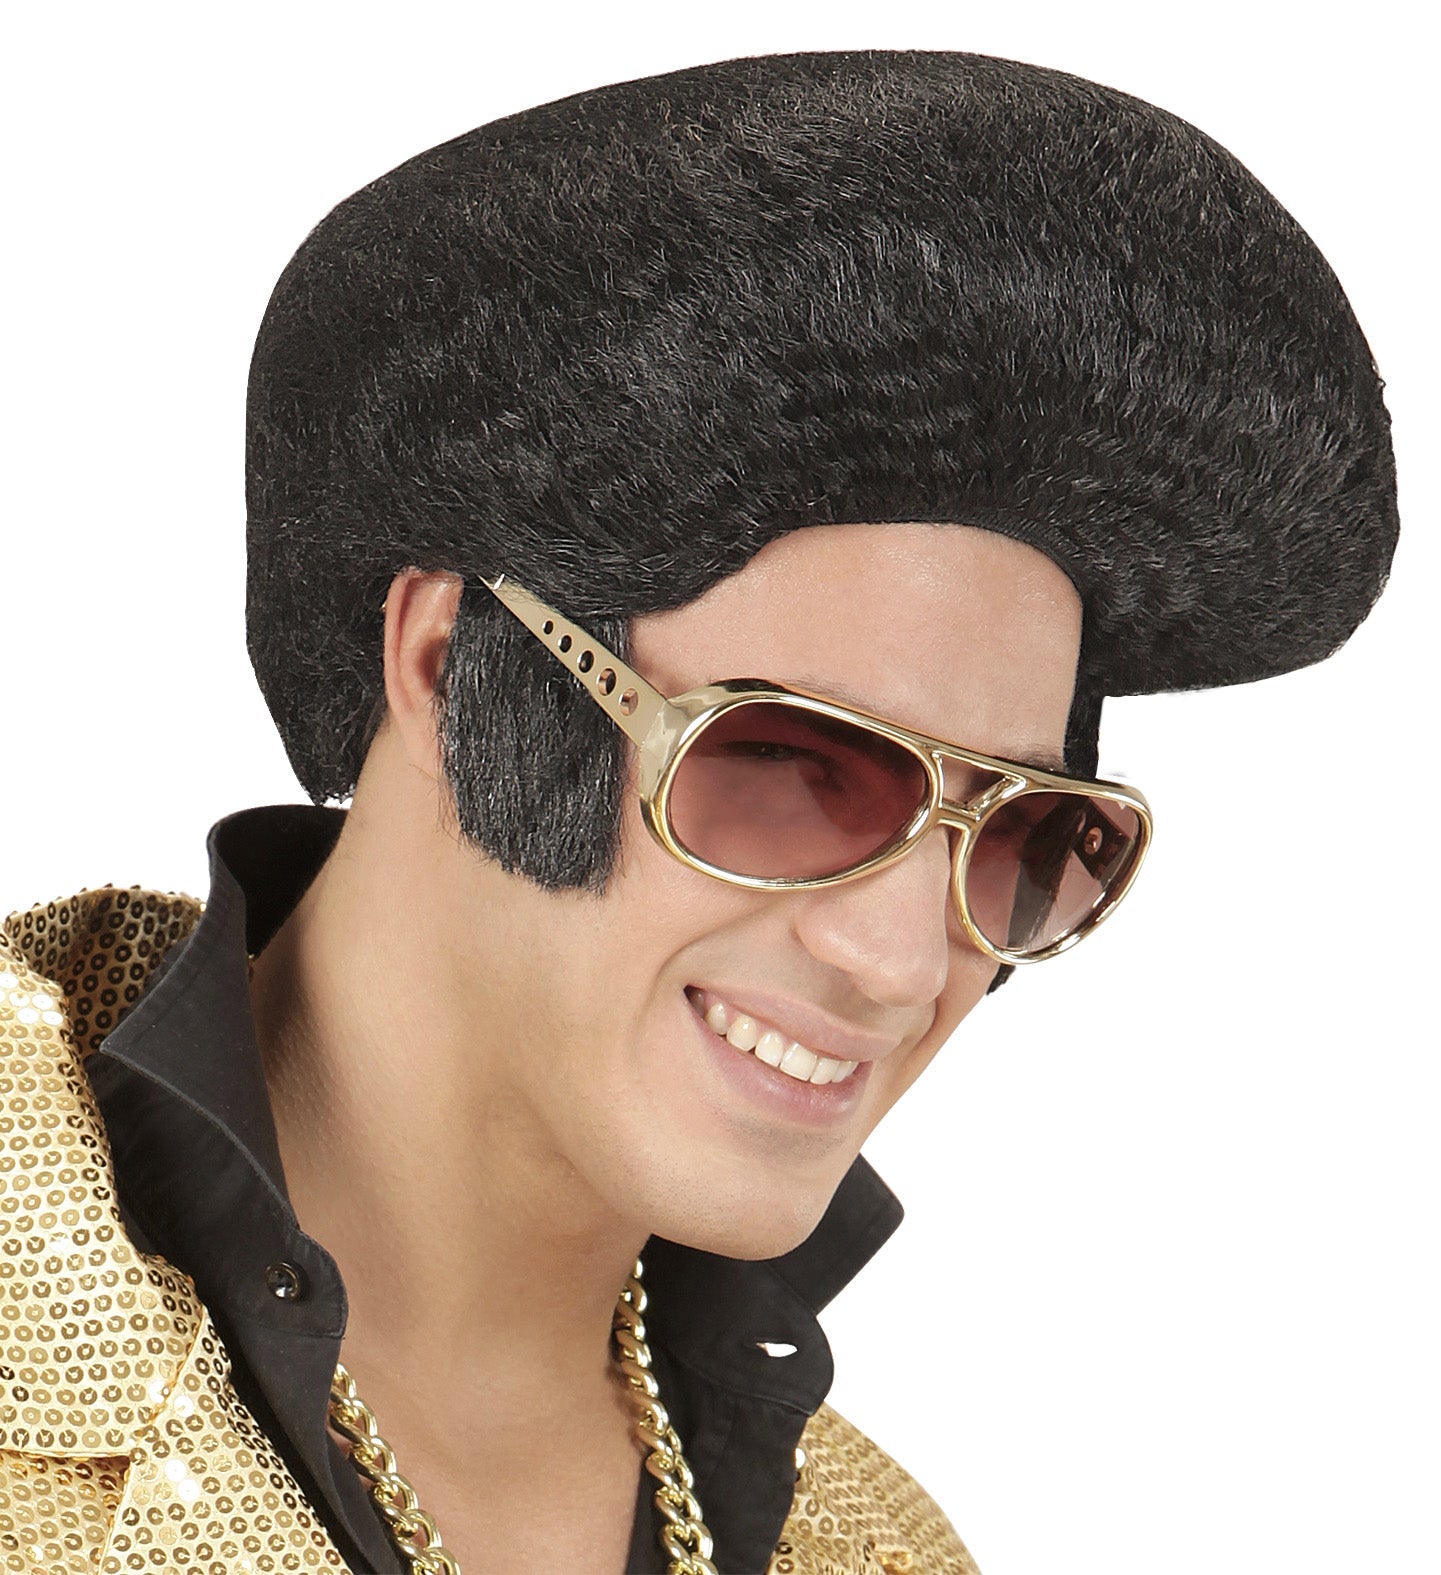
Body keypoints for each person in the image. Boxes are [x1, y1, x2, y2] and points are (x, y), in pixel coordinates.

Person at [0, 46, 1397, 1575]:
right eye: (789, 768)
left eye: (1018, 839)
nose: (900, 962)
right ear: (445, 667)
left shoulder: (882, 1550)